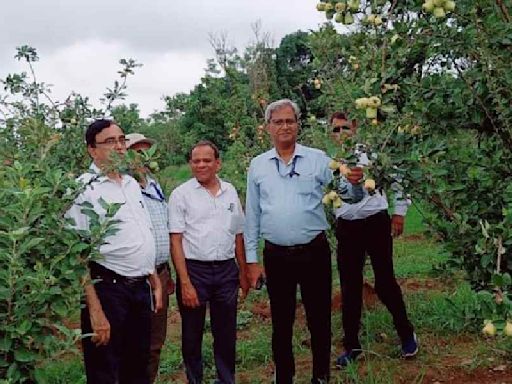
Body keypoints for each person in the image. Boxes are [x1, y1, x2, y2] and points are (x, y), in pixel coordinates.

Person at [66, 119, 162, 384]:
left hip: (139, 290)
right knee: (104, 371)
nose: (120, 147)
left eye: (122, 140)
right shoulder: (83, 188)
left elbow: (139, 231)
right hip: (108, 289)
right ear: (92, 150)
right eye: (110, 141)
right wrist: (95, 309)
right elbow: (77, 254)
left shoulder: (130, 184)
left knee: (137, 366)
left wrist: (151, 274)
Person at [244, 99, 333, 384]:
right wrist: (251, 261)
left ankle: (321, 376)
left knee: (320, 319)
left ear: (298, 125)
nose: (284, 126)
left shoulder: (319, 159)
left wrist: (355, 182)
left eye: (289, 121)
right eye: (278, 122)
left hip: (314, 251)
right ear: (268, 127)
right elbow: (252, 215)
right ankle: (284, 376)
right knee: (281, 322)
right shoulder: (258, 166)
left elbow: (343, 192)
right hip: (277, 256)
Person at [330, 111, 419, 368]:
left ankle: (406, 334)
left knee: (385, 281)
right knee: (349, 284)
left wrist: (399, 213)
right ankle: (352, 346)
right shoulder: (332, 162)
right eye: (335, 130)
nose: (340, 133)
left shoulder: (372, 154)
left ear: (354, 127)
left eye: (344, 128)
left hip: (376, 222)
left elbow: (398, 177)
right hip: (347, 227)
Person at [169, 140, 249, 384]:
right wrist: (185, 283)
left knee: (225, 333)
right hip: (195, 271)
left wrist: (243, 273)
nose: (201, 165)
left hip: (226, 271)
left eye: (207, 160)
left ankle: (226, 379)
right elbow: (176, 241)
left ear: (217, 163)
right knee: (192, 335)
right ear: (190, 164)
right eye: (196, 161)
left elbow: (237, 234)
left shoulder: (230, 191)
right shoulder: (181, 195)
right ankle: (195, 380)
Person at [126, 132, 175, 383]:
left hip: (161, 272)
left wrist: (169, 273)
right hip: (136, 277)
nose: (142, 157)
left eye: (145, 151)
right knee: (133, 343)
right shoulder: (122, 187)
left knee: (155, 343)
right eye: (136, 151)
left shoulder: (154, 184)